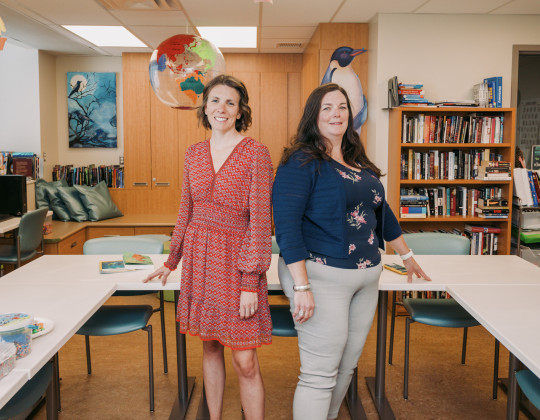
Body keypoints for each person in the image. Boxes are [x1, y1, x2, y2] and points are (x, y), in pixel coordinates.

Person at [272, 83, 430, 420]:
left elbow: (381, 213)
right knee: (319, 373)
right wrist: (301, 286)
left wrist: (406, 256)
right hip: (320, 275)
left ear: (350, 113)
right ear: (313, 115)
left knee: (346, 366)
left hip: (366, 278)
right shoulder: (299, 162)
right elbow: (286, 226)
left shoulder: (358, 161)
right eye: (326, 107)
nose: (335, 114)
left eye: (342, 107)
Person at [144, 75, 273, 420]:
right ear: (205, 107)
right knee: (211, 346)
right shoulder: (194, 154)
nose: (222, 108)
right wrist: (172, 261)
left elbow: (260, 222)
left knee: (245, 359)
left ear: (240, 110)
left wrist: (250, 282)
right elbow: (185, 211)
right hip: (200, 261)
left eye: (230, 102)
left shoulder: (256, 153)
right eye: (215, 100)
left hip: (237, 263)